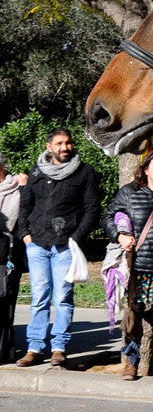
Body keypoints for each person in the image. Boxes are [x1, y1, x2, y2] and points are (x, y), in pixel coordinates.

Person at [15, 127, 100, 369]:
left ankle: (59, 348)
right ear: (48, 146)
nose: (65, 147)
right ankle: (34, 349)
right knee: (39, 298)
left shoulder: (84, 173)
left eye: (69, 143)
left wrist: (76, 237)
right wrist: (25, 235)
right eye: (60, 143)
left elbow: (92, 209)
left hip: (65, 246)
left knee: (63, 298)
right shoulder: (36, 172)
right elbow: (26, 206)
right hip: (37, 245)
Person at [103, 150, 153, 380]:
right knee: (134, 314)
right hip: (137, 266)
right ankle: (131, 361)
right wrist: (120, 236)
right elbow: (107, 216)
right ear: (146, 170)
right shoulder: (129, 193)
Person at [0, 154, 28, 362]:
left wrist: (26, 188)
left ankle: (5, 346)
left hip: (8, 255)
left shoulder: (18, 187)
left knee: (6, 303)